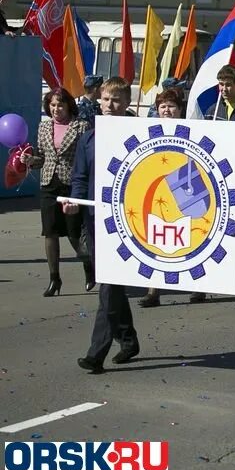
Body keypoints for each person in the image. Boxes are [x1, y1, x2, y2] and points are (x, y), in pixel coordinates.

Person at [65, 77, 140, 373]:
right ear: (99, 100)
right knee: (113, 284)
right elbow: (80, 177)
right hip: (95, 219)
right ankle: (128, 339)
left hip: (127, 222)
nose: (111, 105)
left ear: (126, 104)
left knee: (108, 285)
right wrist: (75, 201)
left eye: (117, 100)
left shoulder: (138, 136)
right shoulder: (89, 138)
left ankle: (96, 353)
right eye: (107, 99)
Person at [138, 89, 207, 307]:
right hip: (158, 193)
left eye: (172, 106)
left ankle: (199, 287)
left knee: (193, 238)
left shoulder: (192, 130)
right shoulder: (148, 131)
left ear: (180, 109)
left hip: (186, 191)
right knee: (156, 242)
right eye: (163, 106)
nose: (167, 110)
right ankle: (153, 291)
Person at [22, 88, 90, 296]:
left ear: (69, 105)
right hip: (49, 184)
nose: (56, 109)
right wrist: (31, 161)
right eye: (52, 105)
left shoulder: (81, 126)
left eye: (60, 105)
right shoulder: (44, 127)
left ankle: (90, 266)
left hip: (72, 184)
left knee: (74, 234)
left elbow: (87, 157)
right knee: (50, 232)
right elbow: (42, 157)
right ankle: (54, 278)